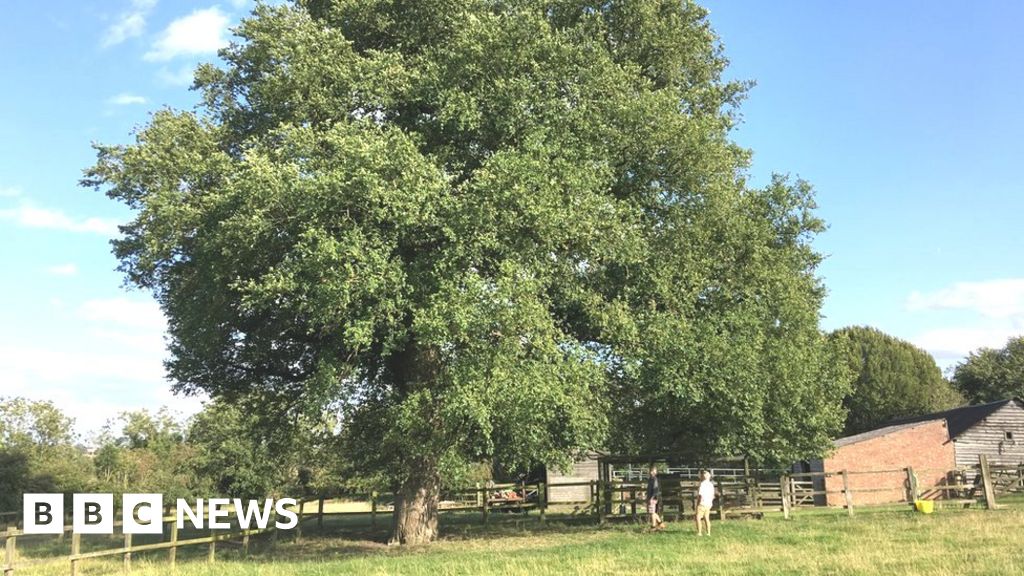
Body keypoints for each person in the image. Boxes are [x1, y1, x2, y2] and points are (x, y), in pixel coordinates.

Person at [695, 470, 714, 536]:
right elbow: (712, 495)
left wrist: (697, 503)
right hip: (708, 503)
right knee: (706, 518)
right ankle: (708, 532)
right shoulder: (711, 484)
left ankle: (699, 532)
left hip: (702, 503)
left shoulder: (702, 484)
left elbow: (700, 495)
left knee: (698, 517)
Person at [646, 466, 665, 530]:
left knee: (652, 512)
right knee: (653, 512)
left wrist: (652, 498)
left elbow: (655, 490)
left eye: (653, 471)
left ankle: (655, 525)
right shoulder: (650, 479)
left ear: (655, 472)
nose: (652, 472)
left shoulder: (654, 479)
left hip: (653, 498)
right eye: (651, 471)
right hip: (650, 497)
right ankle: (658, 524)